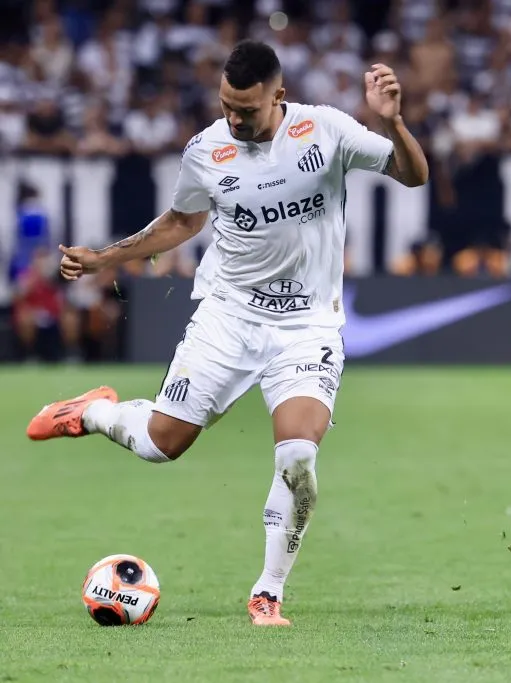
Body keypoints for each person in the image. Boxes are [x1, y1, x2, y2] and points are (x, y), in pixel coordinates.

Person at [25, 40, 428, 626]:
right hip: (228, 316)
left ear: (279, 96)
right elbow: (183, 221)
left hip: (306, 326)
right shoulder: (207, 150)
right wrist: (104, 259)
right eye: (226, 106)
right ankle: (91, 412)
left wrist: (393, 123)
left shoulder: (328, 132)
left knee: (298, 457)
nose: (234, 120)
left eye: (248, 109)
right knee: (161, 444)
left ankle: (268, 592)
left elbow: (413, 175)